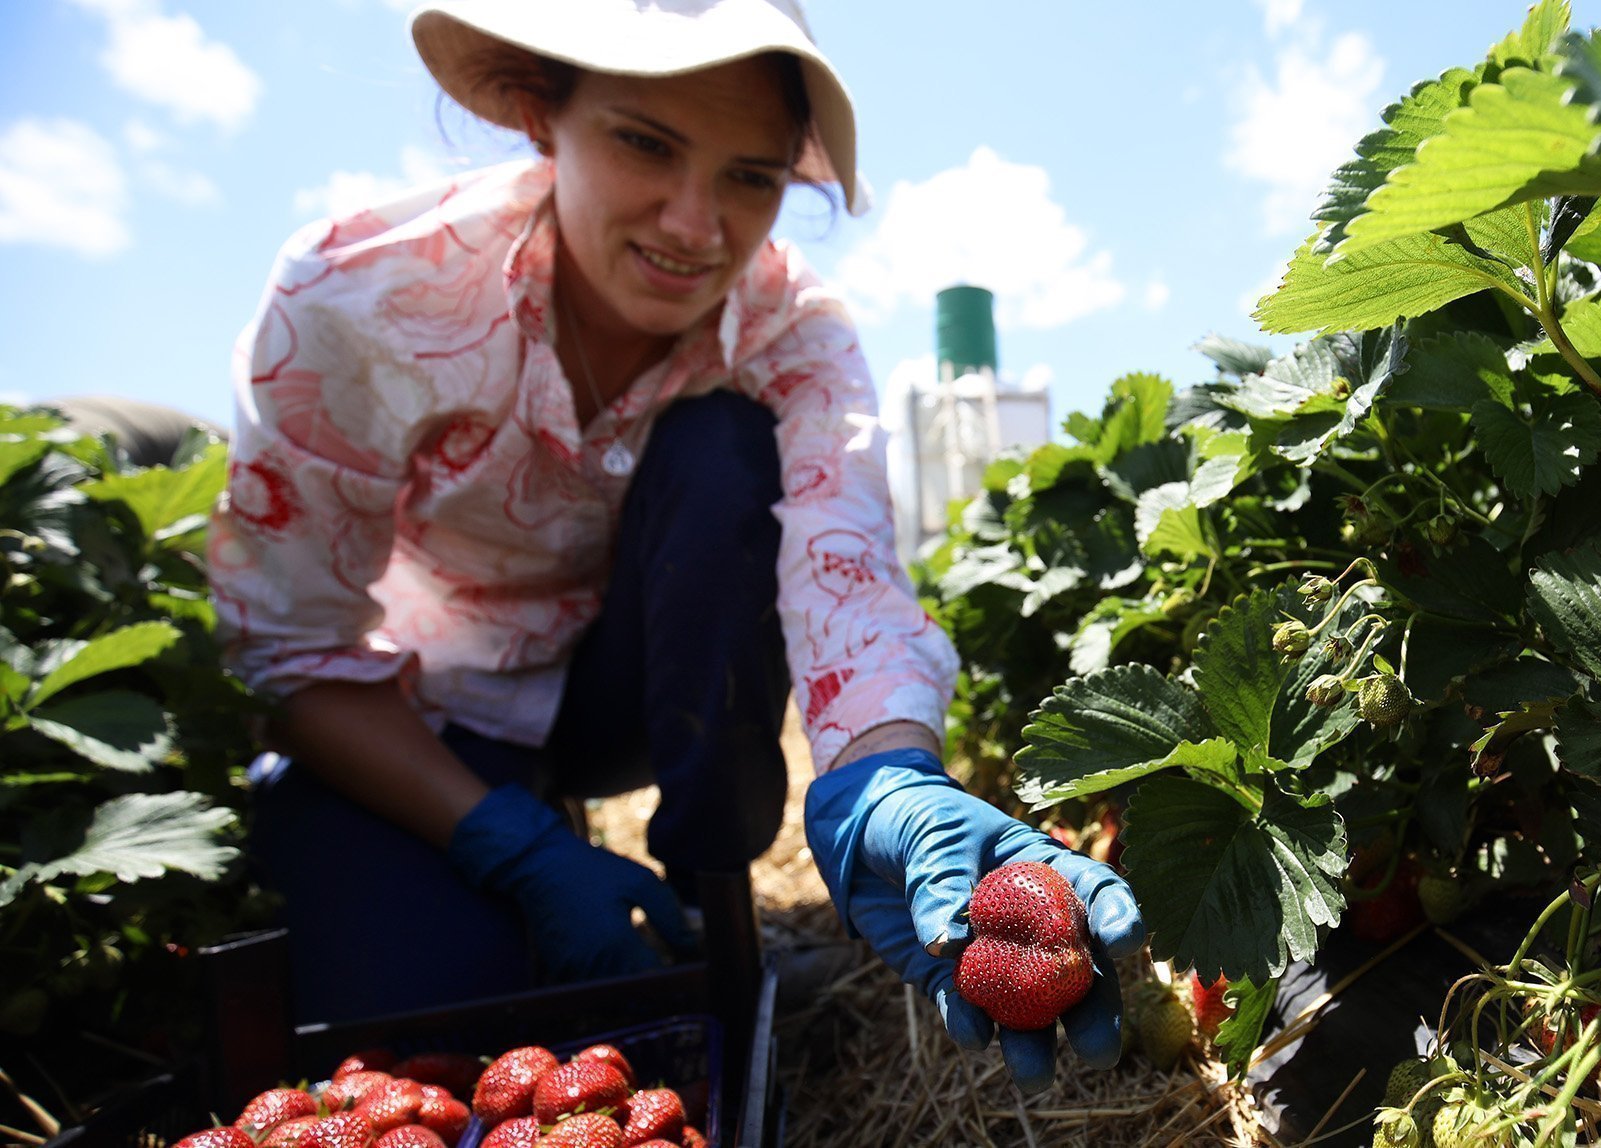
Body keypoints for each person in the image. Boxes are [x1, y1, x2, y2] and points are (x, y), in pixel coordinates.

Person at [207, 0, 1141, 1092]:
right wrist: (511, 842)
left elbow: (845, 569)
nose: (697, 224)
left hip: (624, 694)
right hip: (421, 710)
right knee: (431, 1044)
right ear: (538, 109)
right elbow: (282, 647)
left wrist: (887, 768)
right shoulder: (361, 294)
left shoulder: (791, 332)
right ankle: (519, 850)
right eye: (646, 142)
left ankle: (716, 902)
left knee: (722, 453)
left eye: (750, 176)